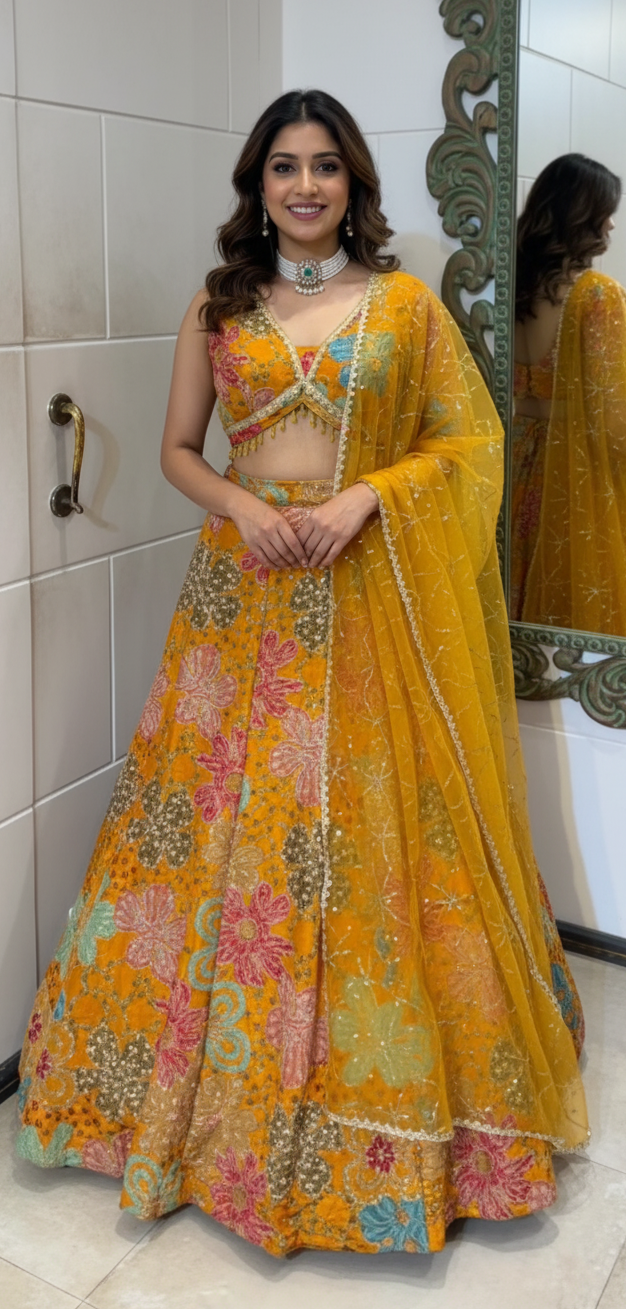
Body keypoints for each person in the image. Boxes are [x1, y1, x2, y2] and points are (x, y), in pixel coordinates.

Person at [17, 90, 588, 1257]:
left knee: (370, 829)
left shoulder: (402, 307)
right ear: (257, 185)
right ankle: (187, 1103)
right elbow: (180, 450)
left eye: (325, 165)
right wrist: (243, 509)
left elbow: (466, 441)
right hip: (242, 600)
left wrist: (365, 496)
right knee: (213, 821)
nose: (305, 185)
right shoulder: (218, 303)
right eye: (283, 166)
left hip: (368, 589)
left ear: (353, 183)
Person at [512, 153, 626, 632]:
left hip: (518, 457)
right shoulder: (596, 295)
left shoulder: (508, 287)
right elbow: (612, 417)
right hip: (575, 469)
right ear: (582, 214)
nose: (611, 224)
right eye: (605, 212)